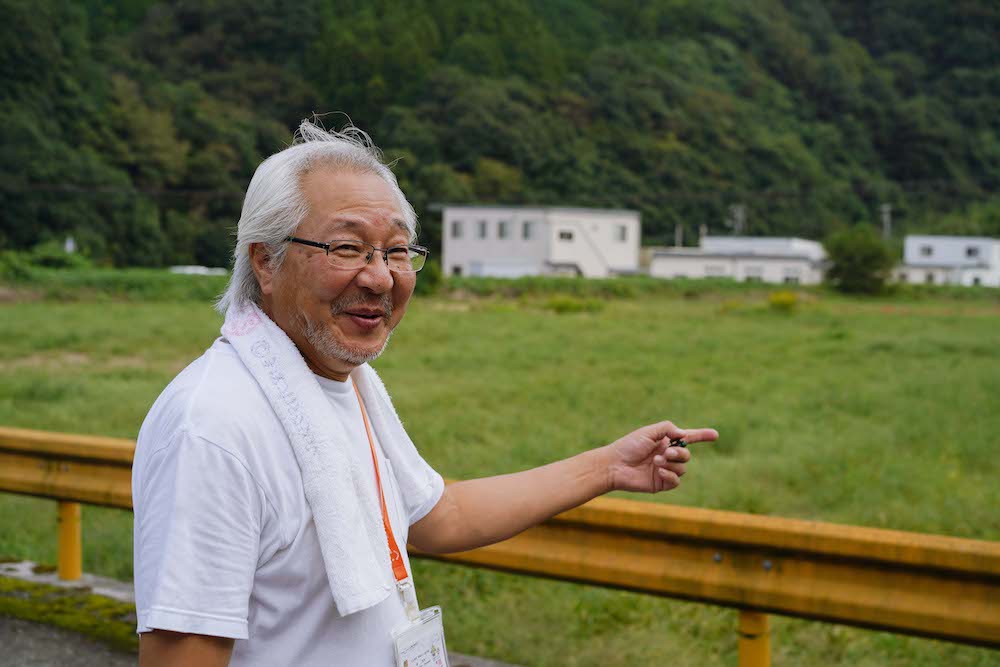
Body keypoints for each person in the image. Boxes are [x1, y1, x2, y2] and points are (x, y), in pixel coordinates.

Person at [132, 120, 717, 667]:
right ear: (266, 260)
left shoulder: (339, 385)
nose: (380, 276)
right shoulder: (214, 426)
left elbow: (441, 516)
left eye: (395, 250)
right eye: (347, 247)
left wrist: (610, 466)